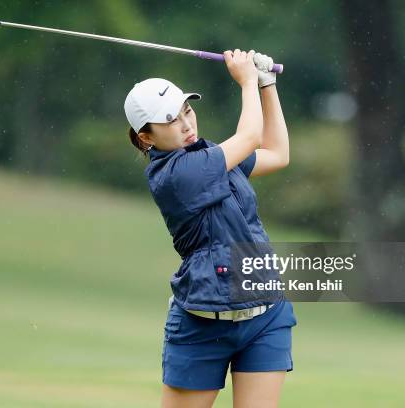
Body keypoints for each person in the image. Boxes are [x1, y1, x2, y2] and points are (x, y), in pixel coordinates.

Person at [124, 49, 297, 408]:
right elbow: (250, 137)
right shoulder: (175, 176)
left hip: (265, 313)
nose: (186, 124)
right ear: (146, 138)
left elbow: (278, 154)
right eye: (170, 120)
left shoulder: (215, 155)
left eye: (187, 110)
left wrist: (267, 85)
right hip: (202, 322)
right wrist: (247, 81)